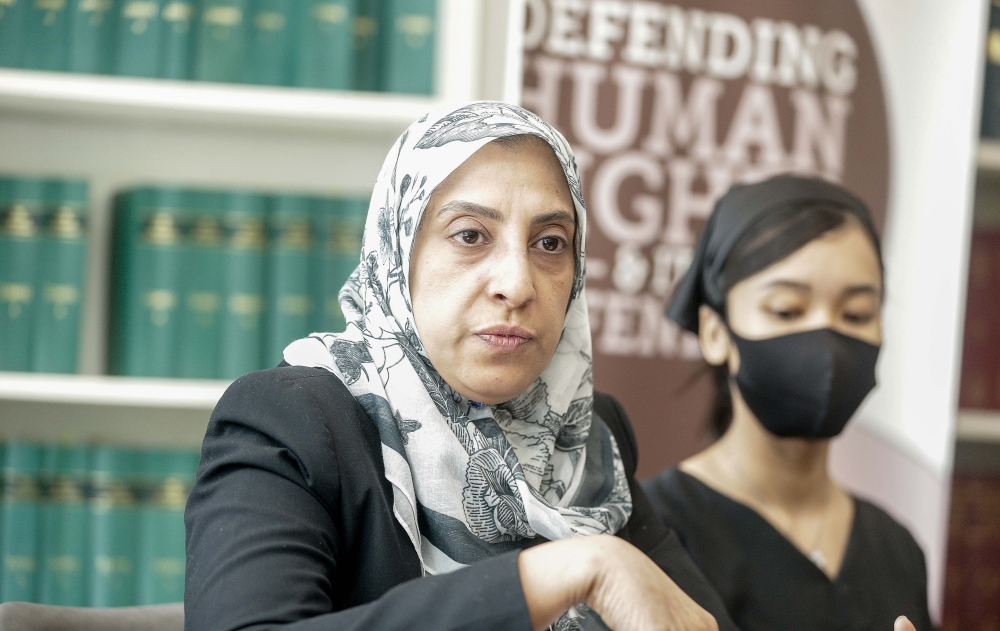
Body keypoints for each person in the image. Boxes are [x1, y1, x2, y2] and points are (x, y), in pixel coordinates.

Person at [183, 102, 735, 631]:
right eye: (470, 235)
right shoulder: (294, 419)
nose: (517, 285)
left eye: (549, 242)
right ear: (398, 254)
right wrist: (561, 573)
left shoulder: (583, 434)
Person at [641, 175, 933, 631]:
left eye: (856, 314)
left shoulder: (895, 548)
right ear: (716, 333)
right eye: (786, 310)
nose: (827, 340)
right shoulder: (654, 531)